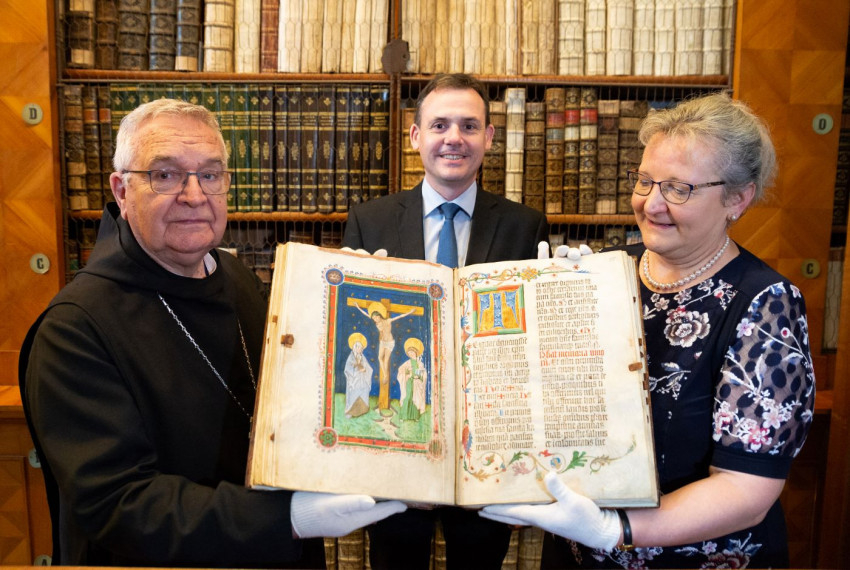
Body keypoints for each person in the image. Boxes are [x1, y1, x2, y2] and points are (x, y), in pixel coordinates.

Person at [19, 98, 405, 568]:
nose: (194, 195)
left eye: (210, 174)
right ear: (121, 190)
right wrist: (288, 517)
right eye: (165, 175)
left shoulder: (234, 275)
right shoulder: (74, 328)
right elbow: (118, 503)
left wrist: (344, 307)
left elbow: (291, 388)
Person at [480, 92, 816, 569]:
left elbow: (747, 489)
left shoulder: (765, 304)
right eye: (644, 181)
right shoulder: (607, 270)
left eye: (678, 188)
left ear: (737, 199)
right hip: (576, 556)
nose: (651, 203)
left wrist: (614, 530)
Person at [342, 73, 550, 569]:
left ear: (489, 138)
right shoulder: (369, 221)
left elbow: (534, 344)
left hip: (489, 449)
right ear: (416, 136)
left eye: (468, 126)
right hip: (397, 446)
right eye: (439, 125)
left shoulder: (525, 225)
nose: (454, 138)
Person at [344, 332, 373, 418]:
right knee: (354, 393)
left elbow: (369, 368)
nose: (361, 349)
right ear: (355, 347)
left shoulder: (362, 357)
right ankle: (351, 412)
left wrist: (365, 370)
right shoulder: (351, 358)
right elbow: (348, 369)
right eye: (360, 347)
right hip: (354, 381)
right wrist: (357, 370)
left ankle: (362, 411)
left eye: (362, 348)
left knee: (364, 391)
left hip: (362, 381)